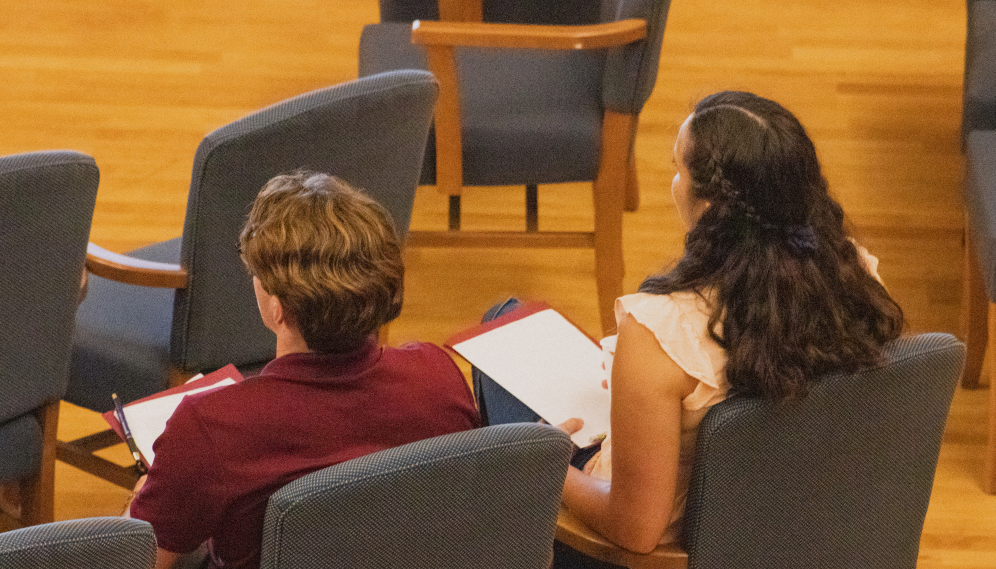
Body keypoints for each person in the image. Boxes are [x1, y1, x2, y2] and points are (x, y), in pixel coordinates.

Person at [477, 91, 904, 565]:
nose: (674, 183)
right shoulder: (855, 276)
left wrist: (551, 466)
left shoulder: (661, 334)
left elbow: (635, 531)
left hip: (668, 552)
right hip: (795, 527)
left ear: (710, 208)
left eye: (678, 169)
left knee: (502, 324)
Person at [126, 171, 481, 569]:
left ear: (278, 309)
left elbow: (138, 561)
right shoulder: (437, 376)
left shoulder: (209, 429)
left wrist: (145, 496)